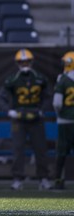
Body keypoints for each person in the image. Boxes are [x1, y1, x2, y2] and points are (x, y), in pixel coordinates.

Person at [0, 48, 52, 190]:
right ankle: (17, 179)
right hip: (19, 117)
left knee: (40, 149)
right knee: (17, 149)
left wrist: (42, 110)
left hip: (36, 117)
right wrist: (9, 111)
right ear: (17, 63)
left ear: (31, 61)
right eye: (22, 61)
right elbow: (1, 97)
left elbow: (48, 96)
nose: (25, 64)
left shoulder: (40, 78)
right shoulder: (13, 79)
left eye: (27, 61)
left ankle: (44, 178)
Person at [52, 51, 74, 189]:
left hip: (65, 121)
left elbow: (57, 103)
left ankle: (58, 180)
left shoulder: (63, 80)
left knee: (61, 152)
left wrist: (60, 114)